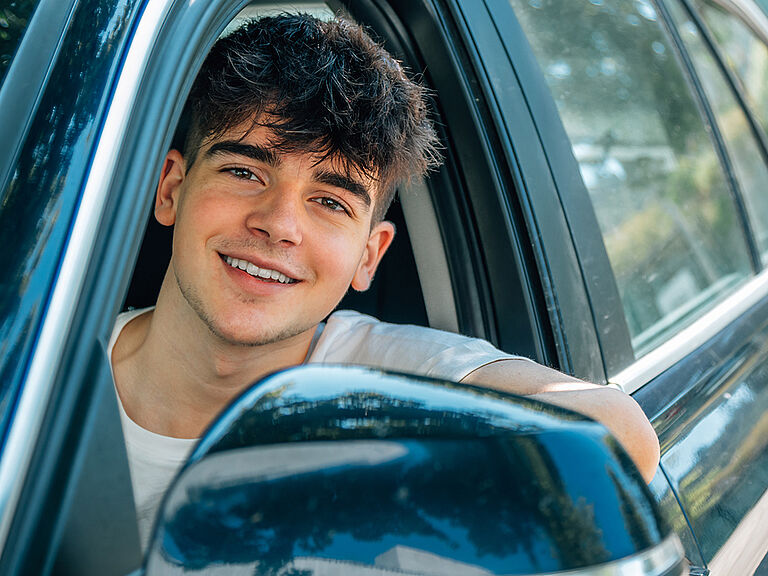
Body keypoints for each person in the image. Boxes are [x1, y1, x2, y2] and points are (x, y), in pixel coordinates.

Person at [110, 13, 660, 549]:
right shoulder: (40, 359)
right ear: (171, 189)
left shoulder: (392, 377)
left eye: (329, 202)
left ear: (368, 257)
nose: (278, 224)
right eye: (245, 172)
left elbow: (615, 433)